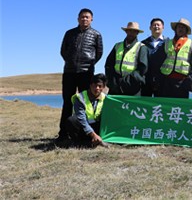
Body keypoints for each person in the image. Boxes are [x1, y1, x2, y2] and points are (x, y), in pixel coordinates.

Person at [57, 8, 103, 143]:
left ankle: (84, 133)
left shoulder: (96, 34)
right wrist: (71, 61)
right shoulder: (70, 33)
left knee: (85, 103)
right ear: (78, 19)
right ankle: (63, 133)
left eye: (87, 17)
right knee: (67, 103)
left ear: (91, 19)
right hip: (69, 72)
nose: (84, 19)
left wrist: (88, 63)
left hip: (86, 73)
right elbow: (63, 51)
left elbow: (99, 53)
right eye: (82, 17)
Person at [158, 18, 192, 98]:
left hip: (182, 84)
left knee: (179, 109)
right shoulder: (167, 43)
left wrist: (189, 83)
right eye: (179, 27)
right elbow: (159, 62)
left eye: (183, 27)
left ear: (186, 30)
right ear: (175, 29)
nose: (180, 29)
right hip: (166, 82)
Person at [105, 22, 148, 96]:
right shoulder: (117, 46)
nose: (131, 33)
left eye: (134, 31)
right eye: (129, 30)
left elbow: (142, 68)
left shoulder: (141, 47)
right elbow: (109, 65)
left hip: (132, 86)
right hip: (116, 86)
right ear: (126, 31)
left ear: (137, 33)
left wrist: (128, 80)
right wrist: (112, 80)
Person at [66, 73, 108, 148]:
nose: (97, 88)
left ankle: (100, 140)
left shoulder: (106, 99)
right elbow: (81, 119)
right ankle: (80, 143)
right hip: (83, 128)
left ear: (104, 87)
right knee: (71, 120)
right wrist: (93, 135)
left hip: (97, 127)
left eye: (100, 86)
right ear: (90, 85)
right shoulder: (80, 98)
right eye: (95, 85)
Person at [141, 18, 168, 96]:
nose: (156, 27)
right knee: (144, 105)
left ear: (163, 27)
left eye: (158, 25)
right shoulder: (143, 44)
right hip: (146, 80)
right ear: (150, 28)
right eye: (154, 25)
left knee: (161, 105)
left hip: (163, 80)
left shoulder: (169, 43)